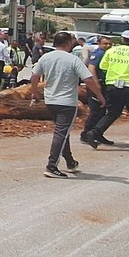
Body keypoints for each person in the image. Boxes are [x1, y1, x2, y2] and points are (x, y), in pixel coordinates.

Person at [31, 31, 106, 178]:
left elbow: (34, 76)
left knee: (62, 132)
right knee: (61, 133)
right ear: (68, 43)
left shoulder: (46, 57)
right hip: (67, 102)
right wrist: (99, 95)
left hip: (51, 100)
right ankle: (51, 166)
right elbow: (88, 79)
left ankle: (70, 162)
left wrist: (34, 92)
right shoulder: (73, 59)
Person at [83, 29, 129, 153]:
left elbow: (103, 66)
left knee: (112, 113)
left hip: (113, 87)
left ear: (122, 39)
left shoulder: (111, 51)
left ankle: (94, 132)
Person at [80, 36, 115, 145]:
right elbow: (91, 68)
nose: (108, 46)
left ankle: (97, 134)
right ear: (99, 43)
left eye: (110, 44)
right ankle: (86, 134)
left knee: (102, 111)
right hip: (97, 85)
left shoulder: (107, 53)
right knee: (95, 111)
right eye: (105, 43)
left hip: (104, 85)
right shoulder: (99, 54)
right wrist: (96, 84)